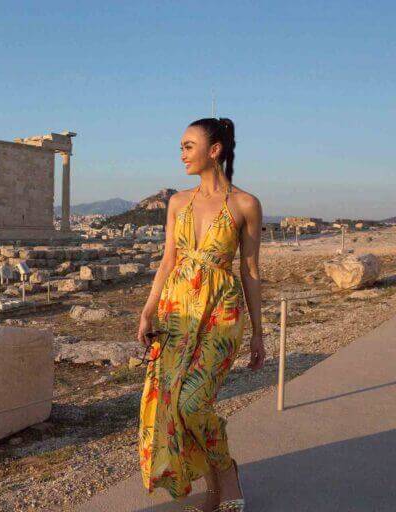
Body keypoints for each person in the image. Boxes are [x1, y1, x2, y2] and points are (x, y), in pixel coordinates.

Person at [136, 118, 266, 512]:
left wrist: (259, 333)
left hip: (221, 314)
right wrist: (148, 310)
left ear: (215, 150)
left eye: (189, 146)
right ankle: (213, 483)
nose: (182, 154)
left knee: (192, 403)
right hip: (178, 313)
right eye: (181, 146)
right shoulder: (178, 202)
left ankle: (225, 471)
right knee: (171, 403)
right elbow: (166, 262)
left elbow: (251, 271)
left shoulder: (246, 204)